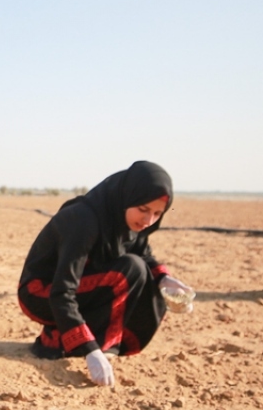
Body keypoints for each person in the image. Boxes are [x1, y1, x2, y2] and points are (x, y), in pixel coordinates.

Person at [17, 161, 194, 388]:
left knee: (139, 269)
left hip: (79, 287)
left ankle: (101, 343)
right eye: (143, 209)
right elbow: (62, 291)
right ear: (128, 197)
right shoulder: (84, 220)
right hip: (40, 293)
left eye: (157, 213)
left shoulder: (131, 223)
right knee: (129, 270)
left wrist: (165, 281)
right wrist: (89, 350)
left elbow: (145, 257)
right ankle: (60, 341)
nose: (148, 220)